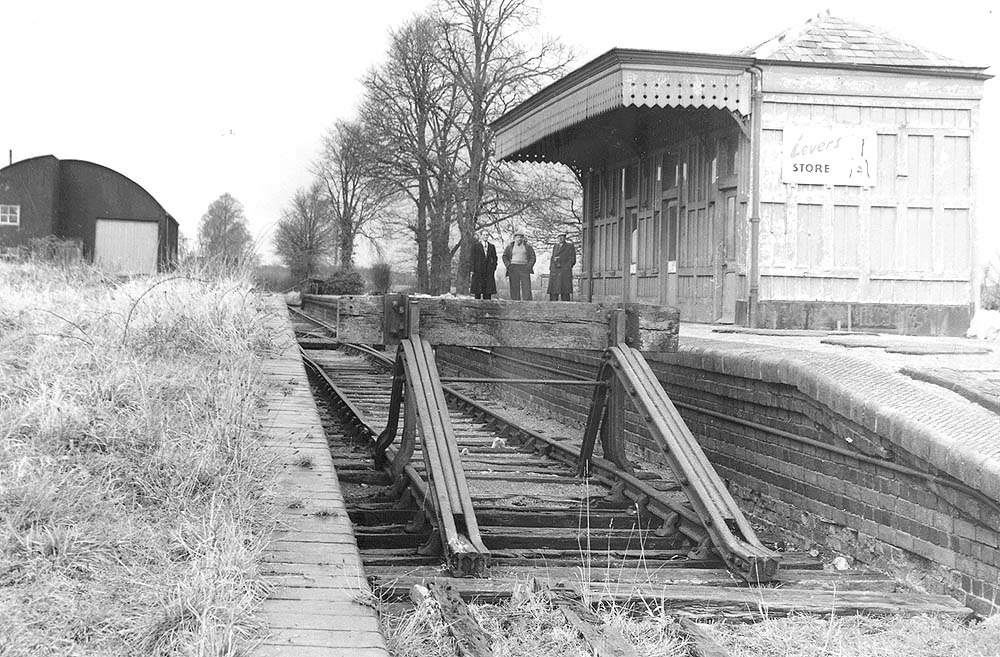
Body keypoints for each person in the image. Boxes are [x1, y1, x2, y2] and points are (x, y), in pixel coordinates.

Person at [501, 231, 535, 300]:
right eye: (517, 237)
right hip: (513, 267)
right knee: (514, 287)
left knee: (526, 287)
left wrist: (529, 266)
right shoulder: (510, 247)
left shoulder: (528, 247)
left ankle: (527, 304)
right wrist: (508, 266)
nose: (519, 239)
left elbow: (533, 257)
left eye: (520, 237)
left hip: (524, 267)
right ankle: (515, 303)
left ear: (523, 238)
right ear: (514, 238)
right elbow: (504, 256)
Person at [546, 233, 576, 301]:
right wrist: (552, 266)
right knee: (553, 292)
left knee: (565, 292)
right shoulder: (555, 246)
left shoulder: (569, 246)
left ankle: (566, 309)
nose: (560, 238)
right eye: (559, 237)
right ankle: (552, 308)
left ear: (565, 238)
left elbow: (572, 259)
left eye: (562, 237)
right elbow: (552, 257)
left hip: (564, 272)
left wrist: (566, 266)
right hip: (555, 271)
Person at [469, 232, 498, 299]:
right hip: (478, 270)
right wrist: (472, 269)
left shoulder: (492, 246)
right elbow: (472, 258)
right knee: (478, 291)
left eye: (487, 235)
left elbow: (495, 258)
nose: (485, 236)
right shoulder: (475, 246)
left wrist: (493, 267)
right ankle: (477, 307)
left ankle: (487, 307)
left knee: (487, 292)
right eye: (484, 235)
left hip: (488, 271)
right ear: (481, 236)